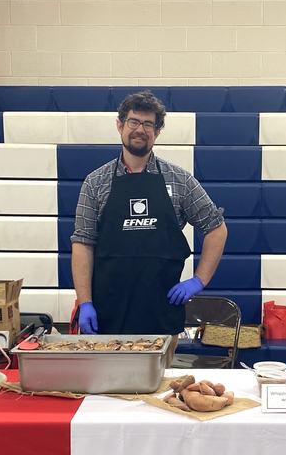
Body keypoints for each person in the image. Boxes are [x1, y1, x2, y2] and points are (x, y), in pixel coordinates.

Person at [70, 90, 227, 335]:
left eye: (148, 124)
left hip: (162, 314)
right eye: (133, 121)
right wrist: (85, 302)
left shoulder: (180, 180)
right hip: (106, 315)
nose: (140, 129)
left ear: (157, 131)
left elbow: (216, 229)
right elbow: (83, 244)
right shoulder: (95, 182)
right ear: (120, 125)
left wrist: (199, 280)